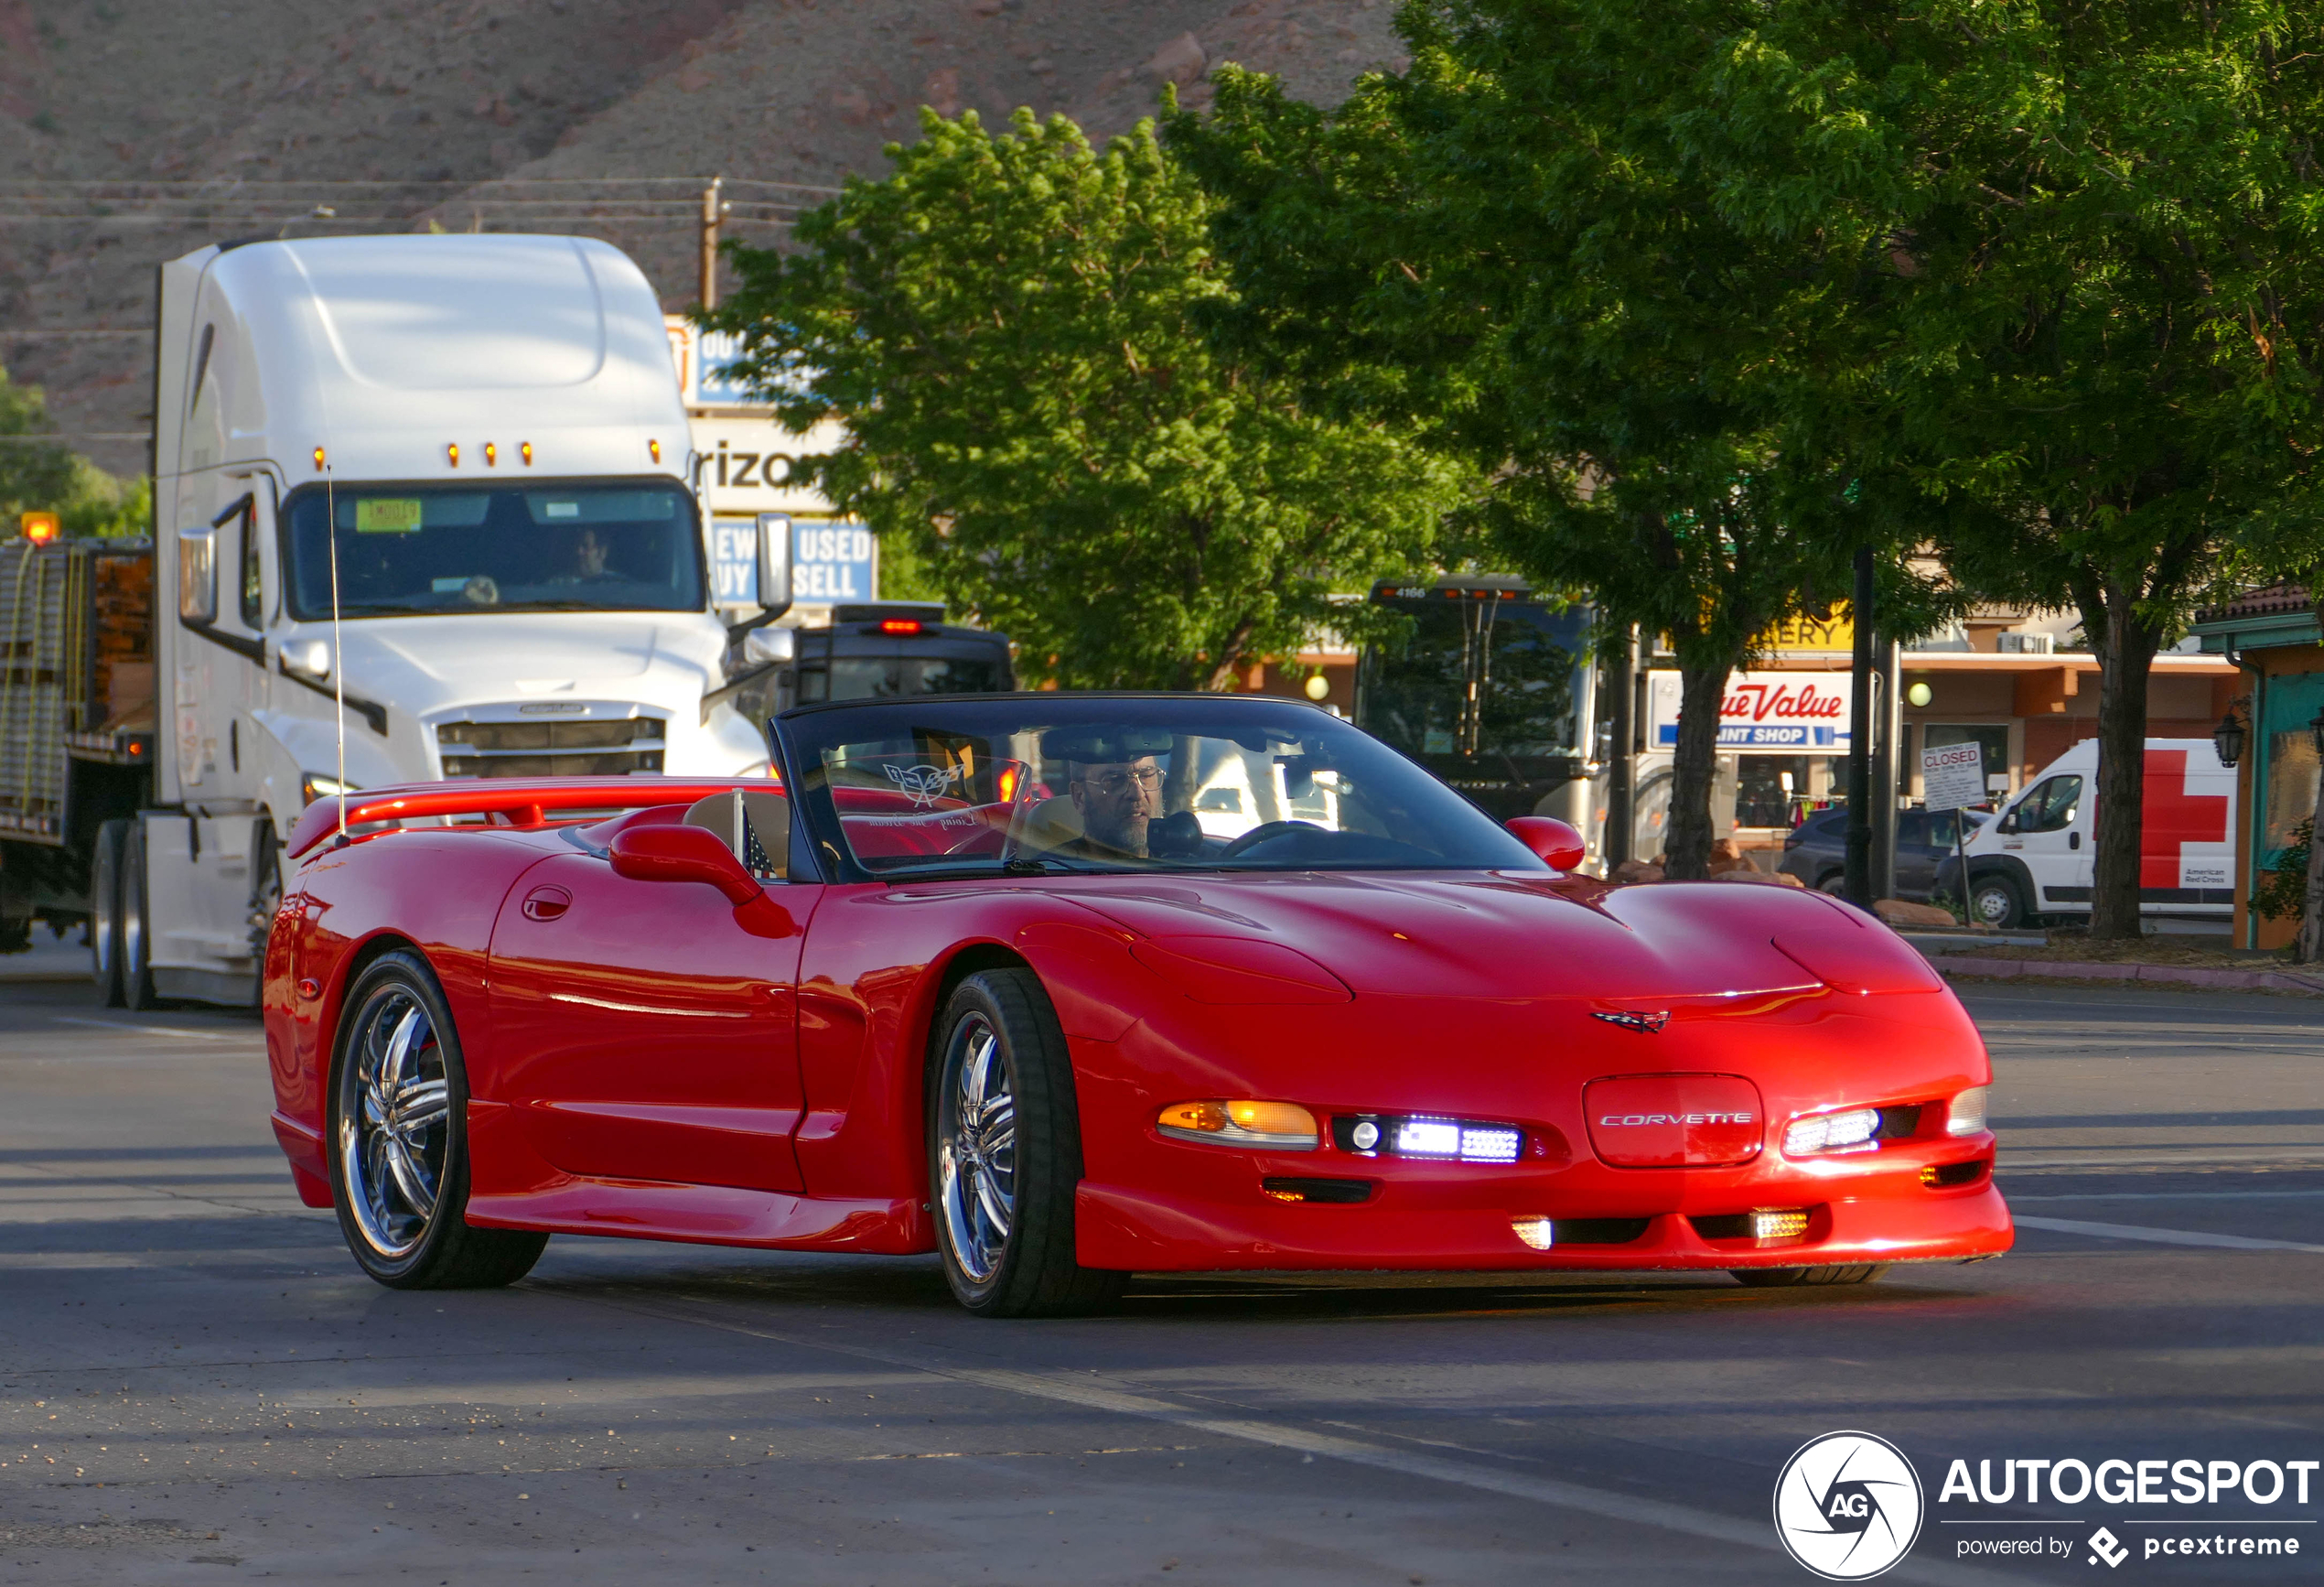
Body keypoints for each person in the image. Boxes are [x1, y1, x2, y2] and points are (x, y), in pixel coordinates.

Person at [1066, 755, 1162, 858]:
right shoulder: (1055, 868)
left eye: (1145, 776)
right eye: (1115, 780)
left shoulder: (1178, 863)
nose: (1137, 794)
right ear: (1079, 797)